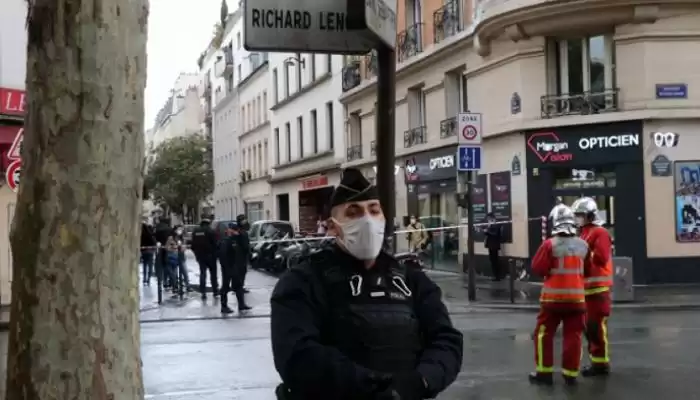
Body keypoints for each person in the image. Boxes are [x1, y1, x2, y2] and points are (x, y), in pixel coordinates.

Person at [271, 168, 463, 400]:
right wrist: (376, 388)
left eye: (374, 210)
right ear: (333, 226)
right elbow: (297, 356)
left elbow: (446, 340)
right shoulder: (302, 281)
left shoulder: (411, 280)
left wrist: (420, 381)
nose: (367, 220)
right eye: (353, 213)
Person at [528, 205, 588, 386]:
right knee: (574, 335)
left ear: (554, 222)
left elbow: (538, 268)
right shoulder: (583, 245)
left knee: (543, 334)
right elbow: (589, 269)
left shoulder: (549, 245)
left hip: (552, 300)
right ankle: (570, 374)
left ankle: (544, 373)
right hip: (577, 300)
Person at [572, 196, 613, 377]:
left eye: (581, 214)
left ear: (590, 215)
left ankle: (601, 364)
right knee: (588, 328)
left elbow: (601, 257)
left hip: (598, 287)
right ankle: (596, 362)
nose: (578, 218)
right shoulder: (583, 232)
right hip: (585, 288)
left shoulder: (600, 232)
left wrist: (583, 251)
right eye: (577, 215)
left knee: (595, 327)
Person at [219, 221, 252, 314]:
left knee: (238, 286)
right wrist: (226, 267)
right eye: (234, 230)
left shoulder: (235, 239)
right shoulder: (226, 241)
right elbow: (222, 255)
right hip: (228, 268)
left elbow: (243, 245)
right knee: (225, 287)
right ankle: (224, 306)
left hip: (234, 267)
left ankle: (241, 305)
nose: (236, 232)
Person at [191, 218, 219, 299]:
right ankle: (215, 291)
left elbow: (193, 245)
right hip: (211, 256)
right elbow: (215, 244)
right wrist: (216, 254)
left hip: (200, 256)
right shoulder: (211, 231)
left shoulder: (195, 231)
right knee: (213, 274)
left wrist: (197, 254)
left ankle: (203, 292)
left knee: (202, 273)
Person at [154, 217, 174, 288]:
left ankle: (162, 281)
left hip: (160, 249)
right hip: (168, 249)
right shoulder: (169, 229)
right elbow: (172, 238)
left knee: (161, 266)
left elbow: (155, 238)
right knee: (168, 265)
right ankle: (172, 281)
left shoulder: (157, 228)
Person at [483, 212, 503, 281]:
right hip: (490, 245)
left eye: (488, 218)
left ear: (492, 218)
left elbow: (495, 233)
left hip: (494, 245)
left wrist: (487, 231)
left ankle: (497, 276)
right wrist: (485, 231)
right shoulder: (490, 224)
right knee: (492, 260)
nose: (488, 220)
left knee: (495, 260)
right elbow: (489, 233)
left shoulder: (496, 224)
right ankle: (495, 275)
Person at [236, 214, 251, 293]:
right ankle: (240, 288)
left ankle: (238, 287)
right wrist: (249, 252)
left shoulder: (237, 230)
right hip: (242, 256)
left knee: (239, 272)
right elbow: (245, 246)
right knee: (242, 272)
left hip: (236, 255)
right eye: (244, 219)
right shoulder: (243, 233)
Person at [140, 220, 156, 285]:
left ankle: (144, 279)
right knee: (150, 266)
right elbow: (153, 242)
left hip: (144, 252)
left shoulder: (141, 235)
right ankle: (148, 279)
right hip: (150, 251)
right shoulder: (150, 234)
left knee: (144, 265)